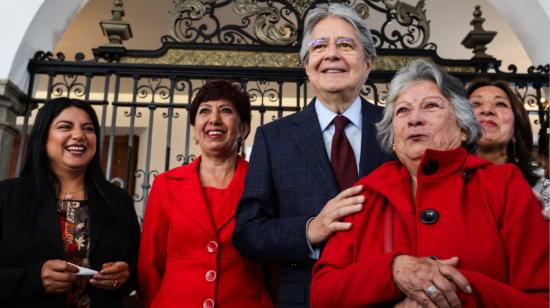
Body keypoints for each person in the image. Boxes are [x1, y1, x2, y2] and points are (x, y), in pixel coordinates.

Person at [310, 59, 549, 307]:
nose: (415, 119)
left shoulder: (504, 186)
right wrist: (393, 271)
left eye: (431, 106)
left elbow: (541, 299)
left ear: (464, 128)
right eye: (403, 110)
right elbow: (322, 294)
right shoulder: (364, 195)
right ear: (393, 137)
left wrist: (453, 291)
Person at [233, 3, 392, 307]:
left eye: (345, 45)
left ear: (368, 63)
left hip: (386, 296)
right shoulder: (273, 138)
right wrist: (310, 229)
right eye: (319, 46)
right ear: (307, 65)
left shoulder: (396, 129)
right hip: (306, 298)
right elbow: (248, 233)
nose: (332, 54)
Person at [138, 80, 273, 308]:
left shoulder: (265, 183)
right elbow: (149, 265)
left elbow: (275, 265)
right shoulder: (165, 185)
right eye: (204, 111)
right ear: (195, 128)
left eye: (226, 110)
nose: (214, 119)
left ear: (244, 128)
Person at [0, 98, 141, 307]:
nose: (79, 135)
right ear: (43, 135)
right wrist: (34, 278)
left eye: (88, 129)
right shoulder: (7, 196)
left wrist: (124, 277)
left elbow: (138, 268)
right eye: (65, 126)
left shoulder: (117, 200)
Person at [467, 78, 550, 218]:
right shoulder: (443, 185)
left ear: (516, 130)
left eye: (500, 104)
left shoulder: (542, 189)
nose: (487, 110)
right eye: (475, 104)